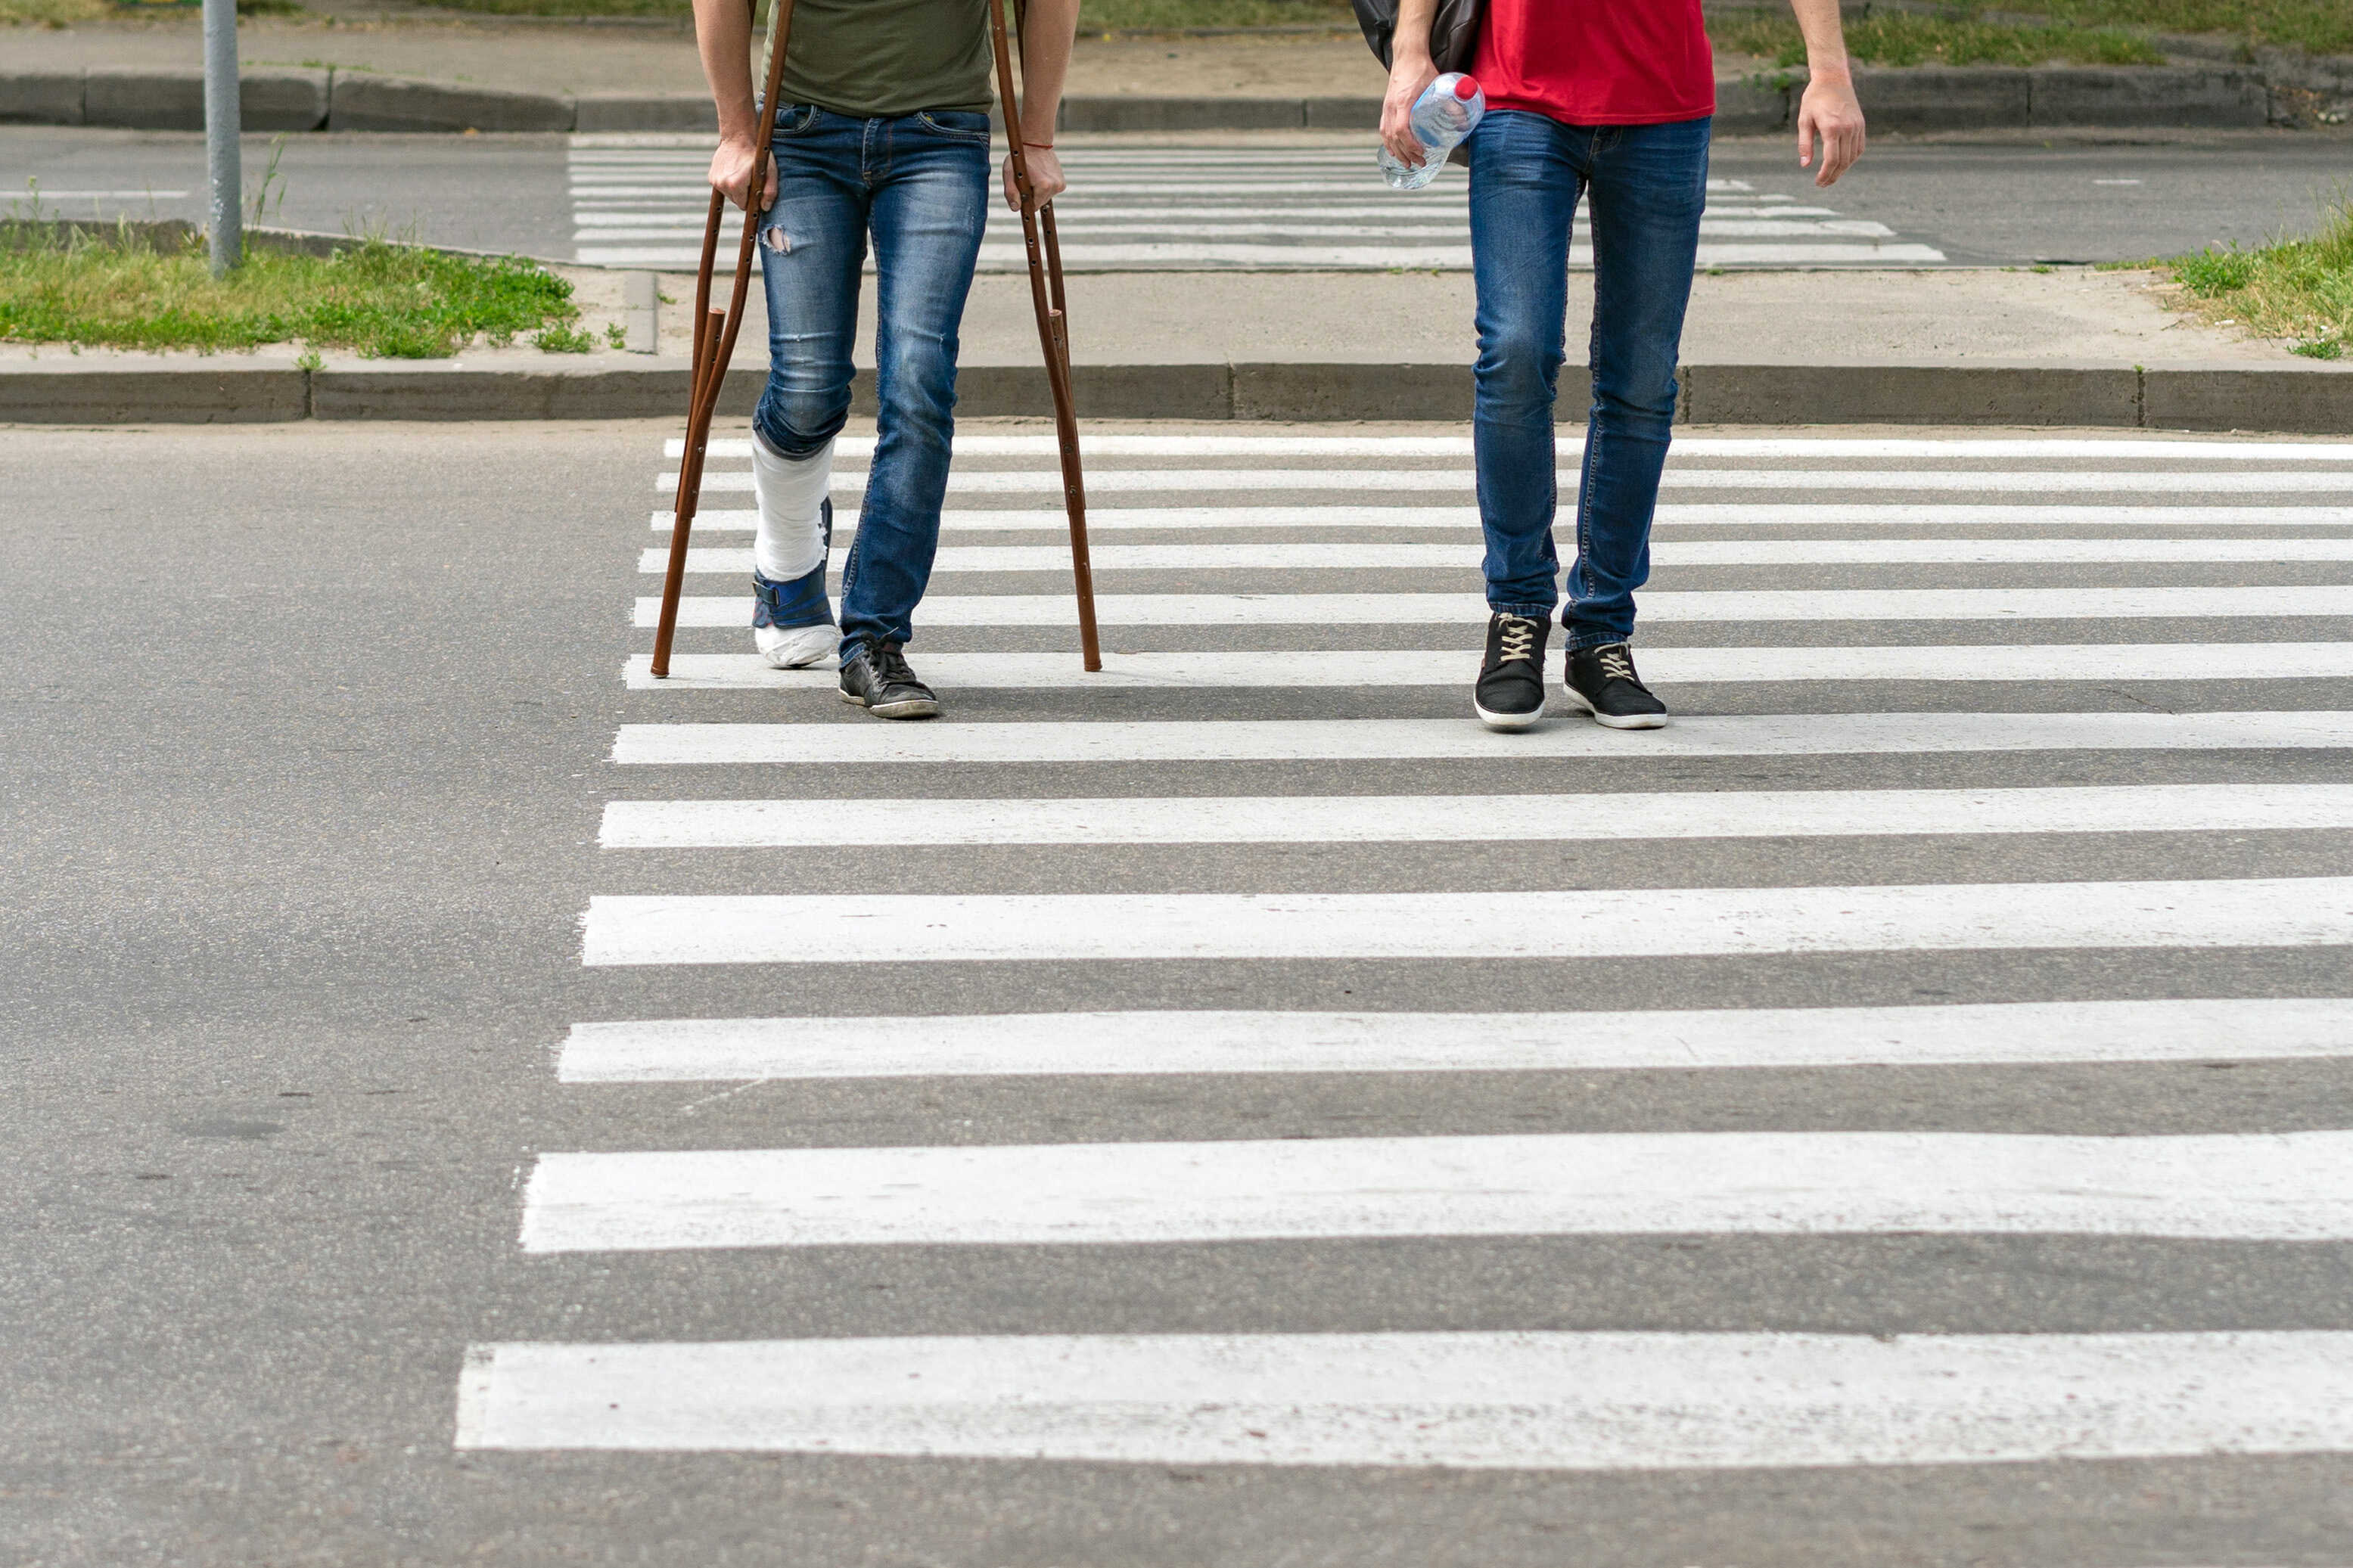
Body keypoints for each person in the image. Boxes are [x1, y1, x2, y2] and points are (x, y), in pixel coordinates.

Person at [1382, 0, 1866, 731]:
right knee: (1515, 351)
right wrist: (1410, 46)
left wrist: (1829, 72)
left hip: (1662, 107)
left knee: (1641, 381)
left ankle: (1602, 634)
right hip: (1518, 102)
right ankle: (1517, 616)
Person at [693, 0, 1079, 719]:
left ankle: (874, 640)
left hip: (941, 135)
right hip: (803, 129)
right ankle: (787, 560)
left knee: (919, 377)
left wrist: (1037, 136)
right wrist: (737, 134)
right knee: (809, 389)